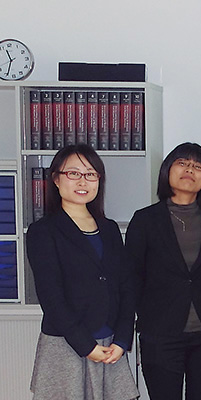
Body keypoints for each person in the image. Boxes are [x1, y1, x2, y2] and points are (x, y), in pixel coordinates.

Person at [27, 144, 139, 400]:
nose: (83, 181)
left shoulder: (109, 229)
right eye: (73, 173)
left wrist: (122, 340)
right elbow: (50, 296)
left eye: (91, 174)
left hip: (111, 345)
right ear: (56, 179)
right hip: (67, 343)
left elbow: (126, 287)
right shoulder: (43, 232)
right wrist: (86, 346)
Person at [125, 143, 201, 400]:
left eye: (198, 166)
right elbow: (131, 276)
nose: (189, 170)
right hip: (160, 332)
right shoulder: (144, 219)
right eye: (182, 163)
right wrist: (143, 319)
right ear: (167, 172)